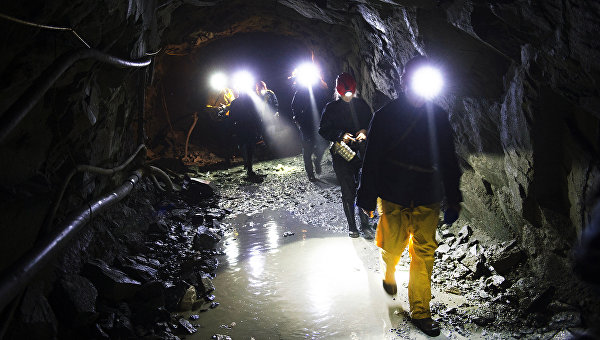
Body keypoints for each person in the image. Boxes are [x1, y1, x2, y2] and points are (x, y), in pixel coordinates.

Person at [356, 55, 462, 337]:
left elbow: (448, 159)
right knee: (392, 248)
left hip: (427, 193)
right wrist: (366, 198)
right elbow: (373, 160)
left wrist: (453, 196)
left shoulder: (437, 116)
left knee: (424, 253)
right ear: (404, 82)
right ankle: (388, 272)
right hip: (393, 193)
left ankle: (421, 311)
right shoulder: (386, 116)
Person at [319, 72, 373, 238]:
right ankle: (352, 227)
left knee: (363, 186)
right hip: (342, 154)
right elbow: (323, 130)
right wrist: (341, 135)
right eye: (344, 94)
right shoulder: (331, 108)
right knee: (348, 189)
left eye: (350, 94)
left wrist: (364, 131)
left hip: (361, 152)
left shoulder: (361, 105)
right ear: (338, 92)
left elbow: (372, 123)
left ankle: (365, 224)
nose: (348, 97)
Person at [291, 80, 330, 181]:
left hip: (318, 123)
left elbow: (325, 103)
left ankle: (317, 159)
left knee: (325, 143)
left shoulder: (318, 90)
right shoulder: (299, 93)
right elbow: (294, 108)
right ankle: (310, 174)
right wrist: (299, 120)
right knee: (307, 150)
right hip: (306, 125)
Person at [229, 91, 262, 177]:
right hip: (247, 126)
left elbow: (231, 117)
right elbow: (256, 115)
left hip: (242, 127)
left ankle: (248, 164)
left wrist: (232, 129)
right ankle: (248, 165)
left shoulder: (235, 102)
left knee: (244, 145)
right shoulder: (249, 102)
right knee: (248, 146)